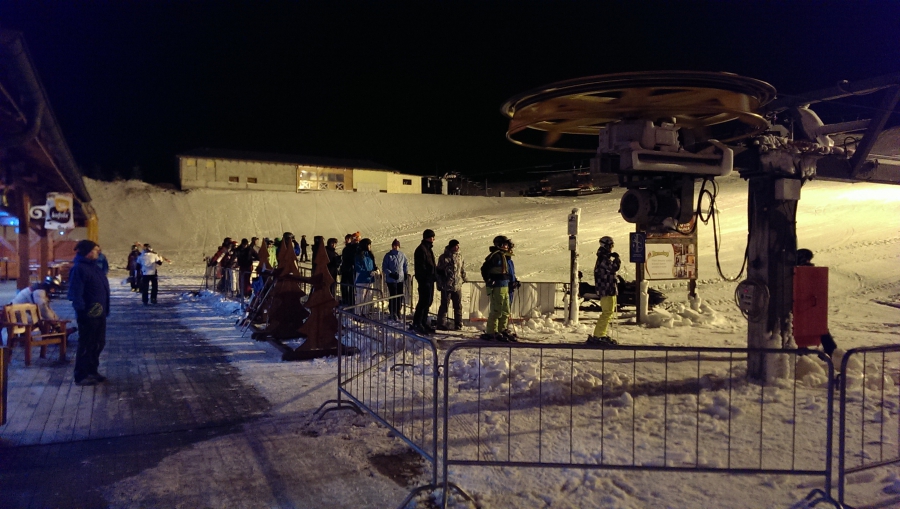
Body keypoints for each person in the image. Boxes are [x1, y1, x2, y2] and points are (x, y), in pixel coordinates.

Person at [67, 240, 110, 386]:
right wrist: (82, 312)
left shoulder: (93, 267)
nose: (98, 252)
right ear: (88, 252)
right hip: (88, 314)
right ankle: (81, 374)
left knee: (98, 343)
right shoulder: (79, 269)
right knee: (86, 343)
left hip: (99, 312)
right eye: (96, 250)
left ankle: (92, 370)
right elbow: (75, 293)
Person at [796, 248, 838, 356]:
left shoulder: (798, 273)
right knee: (819, 329)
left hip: (802, 307)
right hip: (811, 307)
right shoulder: (813, 273)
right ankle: (833, 353)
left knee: (803, 331)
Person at [587, 236, 620, 346]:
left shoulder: (604, 257)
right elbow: (614, 268)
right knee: (607, 313)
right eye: (611, 245)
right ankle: (598, 335)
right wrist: (617, 259)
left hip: (608, 288)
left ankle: (601, 334)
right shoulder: (603, 258)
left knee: (608, 312)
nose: (611, 248)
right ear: (606, 246)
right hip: (607, 289)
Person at [481, 235, 515, 341]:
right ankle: (492, 331)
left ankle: (502, 329)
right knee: (497, 310)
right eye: (505, 244)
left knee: (505, 310)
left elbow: (507, 272)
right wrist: (489, 280)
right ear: (499, 245)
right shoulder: (495, 256)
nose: (507, 246)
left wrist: (512, 282)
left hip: (505, 286)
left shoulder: (504, 256)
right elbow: (484, 269)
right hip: (497, 287)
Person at [436, 239, 467, 330]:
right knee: (444, 305)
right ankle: (441, 323)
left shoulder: (460, 256)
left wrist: (464, 278)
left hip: (457, 285)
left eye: (458, 245)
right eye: (455, 246)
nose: (457, 247)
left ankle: (458, 323)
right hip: (447, 286)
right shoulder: (444, 257)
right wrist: (440, 283)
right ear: (451, 247)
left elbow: (462, 269)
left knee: (458, 305)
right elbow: (439, 271)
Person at [413, 229, 437, 334]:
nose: (433, 239)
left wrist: (435, 274)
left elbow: (431, 264)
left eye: (433, 237)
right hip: (424, 280)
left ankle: (423, 322)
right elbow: (421, 267)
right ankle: (417, 323)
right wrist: (426, 277)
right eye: (431, 237)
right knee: (423, 302)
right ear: (427, 237)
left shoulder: (428, 249)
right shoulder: (421, 249)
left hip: (430, 280)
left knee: (428, 301)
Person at [382, 239, 409, 321]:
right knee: (393, 295)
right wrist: (390, 274)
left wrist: (405, 273)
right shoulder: (388, 256)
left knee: (400, 296)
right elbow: (384, 267)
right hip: (391, 280)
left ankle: (398, 311)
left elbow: (405, 264)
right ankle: (392, 312)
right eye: (394, 246)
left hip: (400, 279)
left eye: (397, 246)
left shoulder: (402, 255)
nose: (395, 247)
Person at [353, 238, 379, 315]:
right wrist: (368, 272)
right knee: (361, 298)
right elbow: (358, 268)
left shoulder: (370, 255)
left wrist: (376, 270)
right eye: (368, 245)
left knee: (368, 298)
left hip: (370, 280)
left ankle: (365, 313)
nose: (370, 246)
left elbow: (373, 266)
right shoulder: (359, 256)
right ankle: (358, 314)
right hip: (361, 280)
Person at [340, 233, 360, 306]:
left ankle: (351, 301)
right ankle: (346, 300)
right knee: (344, 285)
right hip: (346, 269)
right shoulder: (347, 248)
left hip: (352, 270)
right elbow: (345, 259)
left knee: (351, 287)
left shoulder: (356, 248)